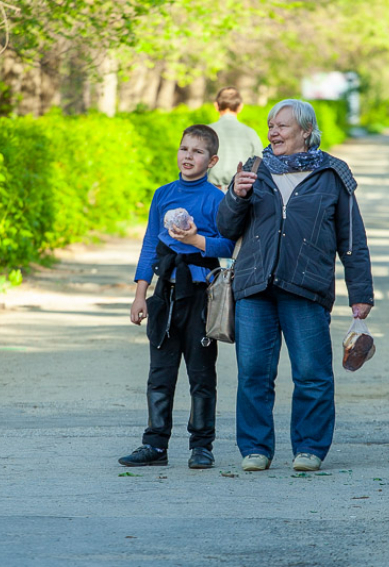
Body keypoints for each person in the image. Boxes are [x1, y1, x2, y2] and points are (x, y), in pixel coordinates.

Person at [217, 99, 374, 472]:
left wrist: (361, 295)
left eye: (283, 126)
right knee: (253, 372)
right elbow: (225, 228)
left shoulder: (333, 174)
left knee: (311, 373)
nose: (273, 132)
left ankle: (309, 448)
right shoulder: (254, 169)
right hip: (255, 287)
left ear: (306, 131)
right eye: (271, 125)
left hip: (306, 288)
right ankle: (255, 448)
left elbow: (352, 239)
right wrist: (236, 196)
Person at [119, 124, 235, 470]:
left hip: (200, 294)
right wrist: (140, 294)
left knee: (201, 375)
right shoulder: (163, 194)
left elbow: (229, 246)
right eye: (185, 149)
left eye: (198, 152)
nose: (189, 156)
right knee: (160, 374)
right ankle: (155, 444)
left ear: (212, 160)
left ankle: (201, 445)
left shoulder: (217, 199)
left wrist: (196, 241)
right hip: (164, 294)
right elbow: (149, 245)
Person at [208, 87, 264, 191]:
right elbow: (260, 164)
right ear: (240, 107)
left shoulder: (205, 132)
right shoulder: (250, 133)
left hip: (210, 191)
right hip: (240, 193)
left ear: (216, 105)